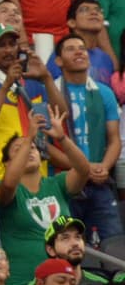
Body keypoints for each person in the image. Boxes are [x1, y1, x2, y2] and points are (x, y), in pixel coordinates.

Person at [0, 108, 90, 285]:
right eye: (20, 149)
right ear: (8, 164)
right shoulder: (3, 188)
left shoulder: (57, 184)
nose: (30, 149)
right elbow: (8, 185)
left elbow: (83, 170)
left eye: (33, 147)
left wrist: (62, 138)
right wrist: (29, 137)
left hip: (65, 282)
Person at [0, 23, 68, 177]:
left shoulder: (33, 84)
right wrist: (6, 86)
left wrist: (46, 77)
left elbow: (62, 113)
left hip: (37, 175)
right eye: (1, 45)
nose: (8, 50)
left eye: (12, 44)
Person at [52, 33, 122, 239]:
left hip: (100, 182)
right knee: (66, 246)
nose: (79, 52)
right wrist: (83, 168)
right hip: (64, 182)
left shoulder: (104, 92)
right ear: (58, 60)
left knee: (114, 244)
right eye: (70, 49)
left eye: (82, 48)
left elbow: (115, 139)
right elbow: (45, 146)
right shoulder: (50, 92)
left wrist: (104, 167)